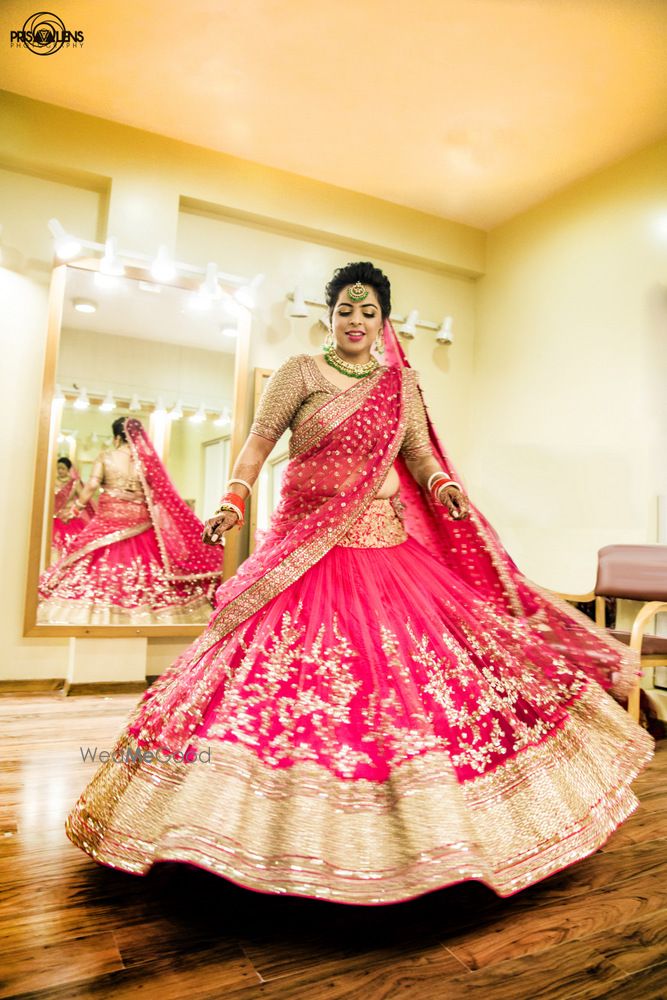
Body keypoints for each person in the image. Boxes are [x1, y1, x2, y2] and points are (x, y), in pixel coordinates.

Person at [66, 262, 652, 904]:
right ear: (329, 314)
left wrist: (442, 485)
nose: (356, 321)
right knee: (278, 684)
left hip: (387, 552)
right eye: (346, 309)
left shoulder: (401, 385)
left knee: (417, 683)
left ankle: (434, 838)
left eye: (369, 312)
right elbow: (258, 446)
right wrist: (235, 497)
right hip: (305, 552)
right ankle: (220, 830)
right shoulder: (299, 374)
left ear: (383, 322)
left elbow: (419, 454)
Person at [38, 416, 222, 626]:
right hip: (141, 520)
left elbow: (91, 486)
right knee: (151, 564)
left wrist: (76, 508)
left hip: (109, 517)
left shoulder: (106, 456)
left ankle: (100, 614)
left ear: (117, 437)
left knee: (92, 562)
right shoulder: (146, 461)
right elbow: (156, 494)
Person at [51, 456, 95, 558]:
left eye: (63, 468)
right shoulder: (52, 482)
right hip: (55, 517)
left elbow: (82, 498)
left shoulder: (74, 484)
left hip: (69, 518)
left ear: (68, 470)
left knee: (70, 546)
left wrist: (73, 511)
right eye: (58, 468)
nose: (60, 471)